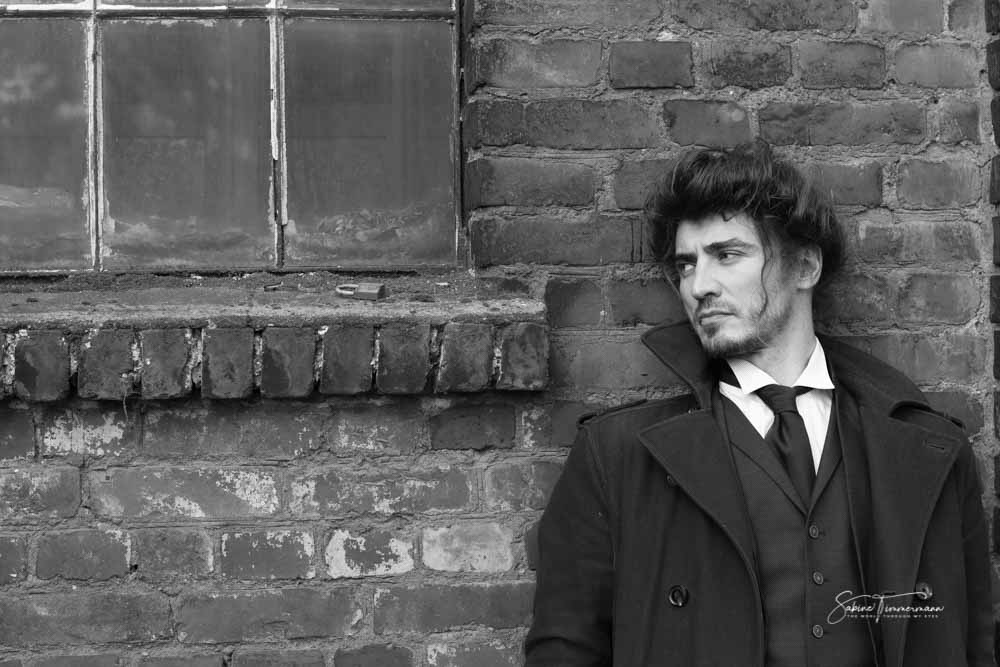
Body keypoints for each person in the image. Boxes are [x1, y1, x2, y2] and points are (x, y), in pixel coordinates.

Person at [524, 141, 995, 667]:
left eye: (727, 255)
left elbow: (973, 644)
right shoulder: (615, 458)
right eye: (686, 265)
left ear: (804, 266)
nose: (699, 286)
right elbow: (564, 651)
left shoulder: (933, 452)